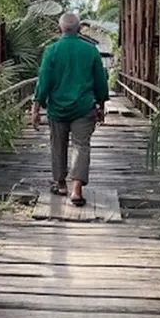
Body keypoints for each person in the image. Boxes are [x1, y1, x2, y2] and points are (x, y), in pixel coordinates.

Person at [31, 12, 109, 207]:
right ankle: (76, 191)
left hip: (57, 109)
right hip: (83, 108)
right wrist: (101, 105)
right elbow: (101, 80)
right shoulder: (90, 50)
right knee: (81, 146)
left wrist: (36, 106)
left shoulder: (52, 50)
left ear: (60, 29)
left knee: (58, 145)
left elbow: (44, 81)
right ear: (79, 29)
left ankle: (61, 184)